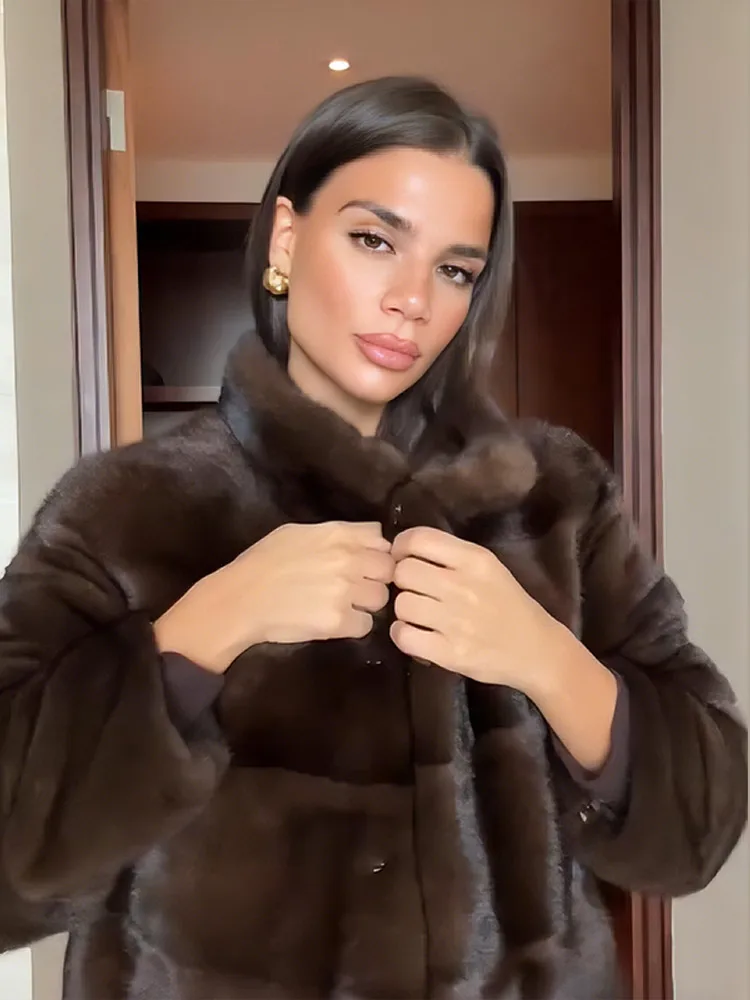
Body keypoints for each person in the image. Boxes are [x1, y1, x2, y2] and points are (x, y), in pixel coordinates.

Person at [0, 76, 745, 1000]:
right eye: (375, 240)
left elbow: (700, 829)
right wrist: (203, 631)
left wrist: (548, 659)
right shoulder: (125, 508)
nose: (412, 300)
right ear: (286, 238)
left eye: (455, 269)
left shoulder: (554, 496)